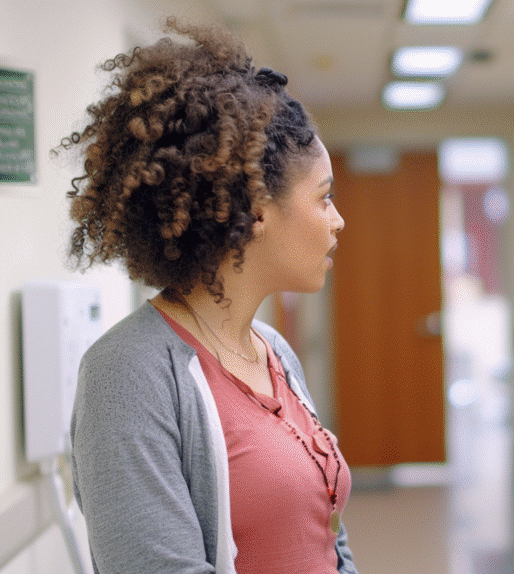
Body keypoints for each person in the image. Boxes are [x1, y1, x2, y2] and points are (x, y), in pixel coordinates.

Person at [61, 18, 357, 574]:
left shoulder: (274, 352)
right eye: (324, 199)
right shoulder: (128, 374)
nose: (338, 221)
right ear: (259, 207)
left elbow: (327, 535)